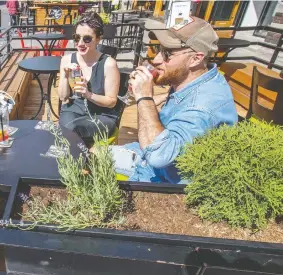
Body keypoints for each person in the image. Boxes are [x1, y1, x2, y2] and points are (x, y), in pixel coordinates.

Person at [112, 17, 238, 184]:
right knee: (87, 154)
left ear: (196, 58)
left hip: (166, 181)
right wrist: (155, 98)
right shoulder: (191, 81)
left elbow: (158, 156)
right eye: (158, 49)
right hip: (153, 160)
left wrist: (144, 97)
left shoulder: (201, 108)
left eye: (167, 54)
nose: (156, 59)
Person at [58, 10, 121, 145]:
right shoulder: (67, 60)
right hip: (73, 110)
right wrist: (64, 77)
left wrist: (88, 94)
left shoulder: (108, 64)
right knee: (65, 128)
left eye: (87, 39)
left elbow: (111, 102)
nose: (80, 43)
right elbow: (63, 98)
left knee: (71, 129)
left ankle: (80, 161)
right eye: (76, 38)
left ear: (98, 38)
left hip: (102, 115)